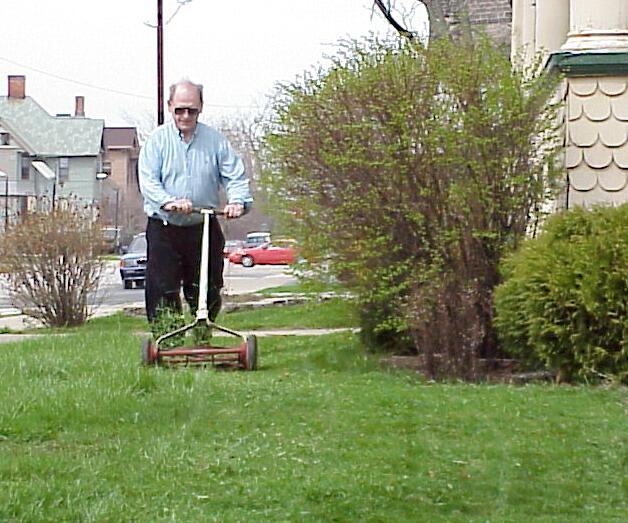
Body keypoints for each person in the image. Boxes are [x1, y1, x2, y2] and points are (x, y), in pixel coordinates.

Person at [138, 79, 252, 324]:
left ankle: (203, 332)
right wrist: (168, 202)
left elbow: (235, 177)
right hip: (165, 227)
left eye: (192, 110)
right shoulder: (157, 142)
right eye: (180, 109)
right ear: (170, 107)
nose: (186, 115)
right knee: (162, 288)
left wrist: (237, 202)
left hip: (203, 226)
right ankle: (167, 339)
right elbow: (148, 181)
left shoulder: (216, 142)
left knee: (208, 286)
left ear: (201, 107)